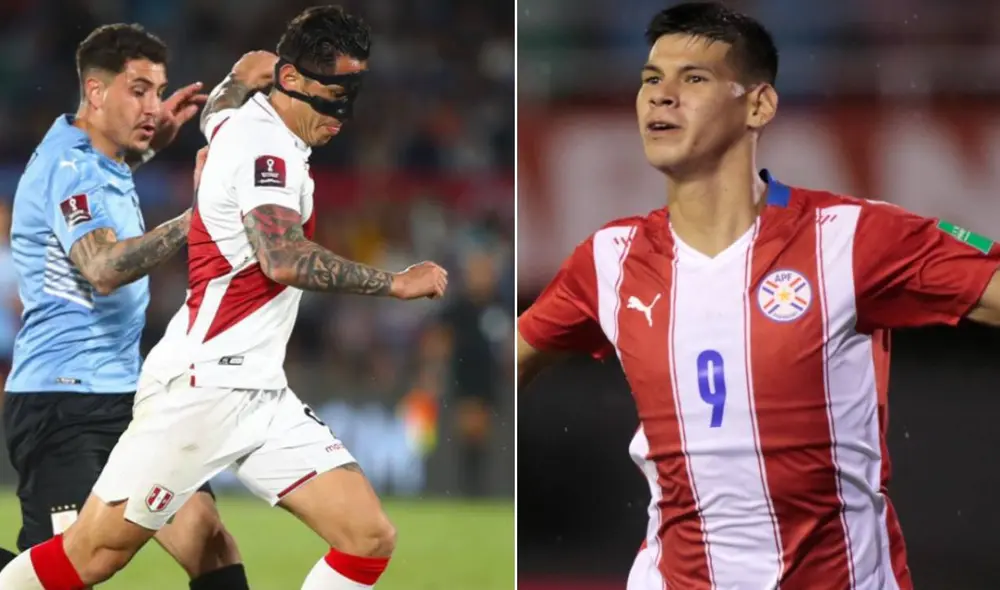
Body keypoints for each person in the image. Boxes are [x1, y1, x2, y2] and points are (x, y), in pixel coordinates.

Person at [517, 3, 1000, 590]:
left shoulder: (849, 238)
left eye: (693, 78)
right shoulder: (608, 259)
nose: (660, 97)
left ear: (758, 105)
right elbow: (510, 363)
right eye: (650, 80)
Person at [0, 6, 448, 590]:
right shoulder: (270, 155)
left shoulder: (245, 118)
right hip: (202, 387)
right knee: (91, 557)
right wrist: (394, 282)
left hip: (260, 391)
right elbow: (281, 258)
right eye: (333, 93)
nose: (343, 111)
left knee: (367, 537)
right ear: (290, 81)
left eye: (352, 92)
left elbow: (219, 107)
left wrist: (240, 72)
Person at [0, 23, 255, 590]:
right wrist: (199, 217)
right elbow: (103, 268)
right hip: (62, 403)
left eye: (157, 91)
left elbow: (99, 192)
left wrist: (146, 146)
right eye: (138, 90)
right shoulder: (69, 167)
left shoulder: (100, 157)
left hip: (130, 398)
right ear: (96, 92)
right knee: (65, 570)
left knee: (207, 540)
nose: (153, 105)